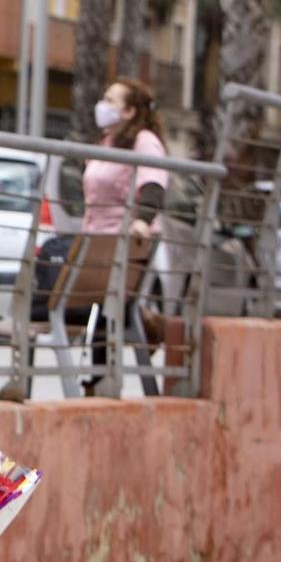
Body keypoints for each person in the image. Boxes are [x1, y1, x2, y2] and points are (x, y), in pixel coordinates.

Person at [83, 77, 169, 393]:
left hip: (123, 245)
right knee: (78, 301)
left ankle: (97, 382)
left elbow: (154, 184)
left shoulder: (145, 142)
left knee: (96, 306)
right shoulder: (107, 142)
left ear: (130, 111)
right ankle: (98, 379)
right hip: (95, 242)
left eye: (110, 101)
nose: (102, 106)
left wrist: (143, 220)